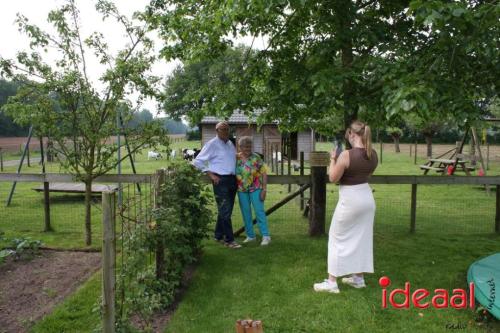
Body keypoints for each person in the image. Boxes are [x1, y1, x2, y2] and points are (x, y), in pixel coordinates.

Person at [314, 120, 378, 293]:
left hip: (351, 199)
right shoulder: (373, 154)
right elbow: (367, 174)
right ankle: (358, 278)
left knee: (336, 238)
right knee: (362, 239)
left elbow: (333, 178)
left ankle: (332, 282)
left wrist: (333, 159)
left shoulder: (346, 155)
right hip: (366, 197)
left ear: (352, 134)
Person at [192, 121, 241, 249]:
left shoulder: (230, 143)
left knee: (226, 210)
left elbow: (231, 158)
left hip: (232, 180)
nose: (225, 131)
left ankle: (218, 235)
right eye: (222, 129)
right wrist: (210, 174)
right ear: (217, 131)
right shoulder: (212, 144)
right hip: (220, 180)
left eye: (227, 129)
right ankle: (229, 240)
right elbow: (197, 161)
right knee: (225, 210)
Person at [236, 136, 271, 246]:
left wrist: (264, 189)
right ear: (240, 147)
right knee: (246, 213)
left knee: (259, 212)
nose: (248, 149)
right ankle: (250, 236)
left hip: (256, 189)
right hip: (241, 190)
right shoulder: (235, 158)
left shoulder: (256, 158)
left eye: (249, 146)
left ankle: (266, 236)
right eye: (245, 147)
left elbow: (264, 173)